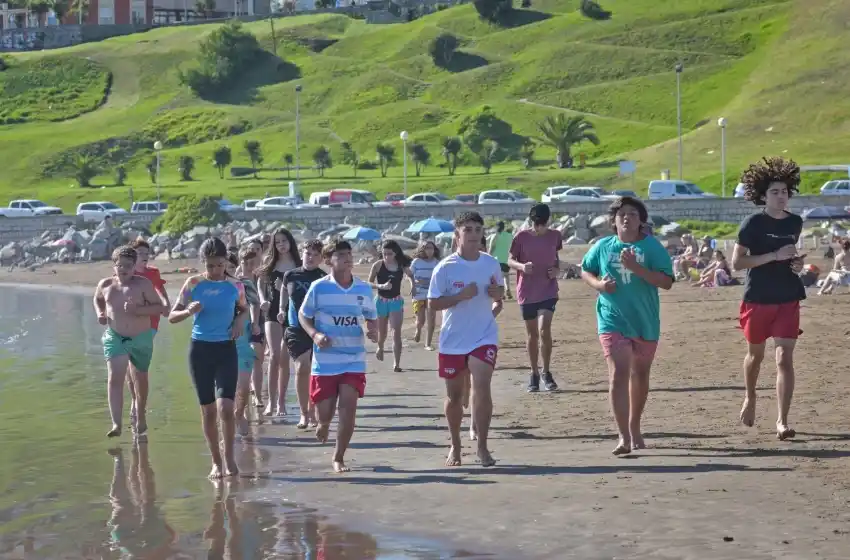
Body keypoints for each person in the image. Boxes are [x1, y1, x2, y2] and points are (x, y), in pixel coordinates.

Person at [581, 197, 674, 455]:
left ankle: (634, 426)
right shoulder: (603, 246)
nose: (626, 218)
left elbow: (667, 282)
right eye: (621, 213)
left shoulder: (652, 247)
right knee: (618, 373)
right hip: (612, 318)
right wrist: (599, 285)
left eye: (633, 214)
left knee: (640, 374)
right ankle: (623, 436)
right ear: (613, 220)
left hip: (645, 320)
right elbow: (585, 270)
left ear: (641, 220)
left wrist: (635, 268)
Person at [731, 156, 806, 440]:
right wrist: (774, 255)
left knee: (784, 357)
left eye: (785, 191)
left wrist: (796, 264)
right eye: (775, 192)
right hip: (758, 298)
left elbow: (791, 257)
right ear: (763, 196)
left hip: (788, 296)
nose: (781, 196)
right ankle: (750, 396)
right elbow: (737, 263)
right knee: (756, 355)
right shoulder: (752, 223)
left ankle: (782, 421)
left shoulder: (795, 222)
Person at [428, 211, 504, 468]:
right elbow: (433, 303)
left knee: (482, 385)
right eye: (468, 230)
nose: (473, 235)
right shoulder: (445, 267)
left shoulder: (491, 263)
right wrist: (460, 296)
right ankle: (455, 445)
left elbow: (499, 294)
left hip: (484, 335)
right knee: (455, 397)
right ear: (457, 235)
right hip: (453, 339)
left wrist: (498, 292)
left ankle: (482, 446)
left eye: (478, 230)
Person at [169, 237, 249, 479]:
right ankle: (216, 462)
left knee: (226, 407)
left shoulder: (235, 285)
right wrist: (187, 311)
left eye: (219, 265)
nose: (215, 270)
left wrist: (239, 321)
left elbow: (244, 309)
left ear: (226, 261)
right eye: (210, 265)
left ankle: (229, 458)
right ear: (203, 262)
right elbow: (172, 316)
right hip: (200, 351)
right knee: (209, 410)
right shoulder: (193, 283)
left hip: (226, 349)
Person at [298, 239, 379, 473]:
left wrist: (372, 330)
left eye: (349, 254)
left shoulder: (363, 289)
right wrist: (314, 334)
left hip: (354, 358)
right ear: (328, 260)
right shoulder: (319, 287)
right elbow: (304, 315)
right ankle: (323, 423)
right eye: (341, 255)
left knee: (348, 408)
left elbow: (371, 317)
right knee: (324, 413)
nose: (347, 258)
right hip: (326, 360)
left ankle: (339, 456)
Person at [94, 246, 168, 438]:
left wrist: (138, 310)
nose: (124, 269)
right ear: (114, 266)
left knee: (140, 379)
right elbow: (98, 299)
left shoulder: (142, 285)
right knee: (114, 377)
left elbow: (158, 307)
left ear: (135, 266)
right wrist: (100, 313)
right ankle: (116, 424)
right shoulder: (106, 284)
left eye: (128, 265)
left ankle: (140, 414)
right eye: (120, 265)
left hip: (141, 337)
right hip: (115, 337)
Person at [508, 204, 562, 392]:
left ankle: (546, 371)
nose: (540, 228)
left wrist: (556, 270)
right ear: (531, 221)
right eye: (536, 224)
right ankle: (534, 373)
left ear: (548, 221)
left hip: (548, 289)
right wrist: (522, 267)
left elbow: (555, 257)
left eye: (543, 224)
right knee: (532, 334)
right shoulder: (521, 237)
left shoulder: (555, 236)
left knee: (544, 330)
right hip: (527, 291)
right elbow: (510, 260)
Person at [127, 238, 170, 439]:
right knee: (131, 367)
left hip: (150, 325)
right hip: (127, 325)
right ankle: (135, 400)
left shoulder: (153, 273)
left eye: (146, 253)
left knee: (139, 366)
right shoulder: (126, 273)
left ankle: (139, 406)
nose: (144, 256)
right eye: (140, 253)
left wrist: (166, 304)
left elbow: (160, 289)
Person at [282, 240, 327, 430]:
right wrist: (281, 309)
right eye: (308, 253)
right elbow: (284, 292)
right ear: (302, 254)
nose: (311, 258)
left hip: (317, 329)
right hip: (295, 328)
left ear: (321, 258)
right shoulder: (290, 275)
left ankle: (313, 408)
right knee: (302, 367)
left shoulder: (323, 278)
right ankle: (303, 413)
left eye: (316, 255)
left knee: (316, 371)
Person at [257, 228, 301, 418]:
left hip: (292, 313)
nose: (281, 245)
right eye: (277, 242)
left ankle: (282, 402)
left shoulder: (298, 264)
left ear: (290, 241)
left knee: (284, 358)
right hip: (272, 312)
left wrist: (286, 288)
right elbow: (260, 282)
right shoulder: (270, 262)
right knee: (274, 356)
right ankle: (271, 402)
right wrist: (262, 300)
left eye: (284, 241)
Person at [368, 240, 413, 372]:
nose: (387, 257)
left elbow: (410, 275)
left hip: (395, 301)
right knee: (382, 333)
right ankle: (380, 347)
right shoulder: (377, 265)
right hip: (381, 301)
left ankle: (396, 364)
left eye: (389, 254)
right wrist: (380, 286)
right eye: (384, 254)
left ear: (395, 253)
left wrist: (413, 285)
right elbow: (369, 283)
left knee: (396, 333)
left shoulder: (401, 265)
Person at [227, 250, 257, 438]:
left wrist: (255, 323)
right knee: (226, 390)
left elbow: (255, 304)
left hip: (243, 343)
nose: (227, 271)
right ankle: (228, 422)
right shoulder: (212, 287)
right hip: (220, 344)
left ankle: (239, 413)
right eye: (224, 267)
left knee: (244, 387)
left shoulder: (244, 285)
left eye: (231, 267)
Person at [410, 240, 440, 350]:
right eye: (427, 248)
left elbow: (440, 277)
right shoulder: (416, 262)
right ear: (422, 249)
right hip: (418, 294)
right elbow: (410, 275)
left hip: (432, 294)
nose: (429, 250)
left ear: (434, 250)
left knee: (431, 319)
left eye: (431, 248)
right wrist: (413, 285)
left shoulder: (436, 262)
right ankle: (418, 329)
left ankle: (428, 344)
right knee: (421, 320)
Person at [488, 221, 514, 300]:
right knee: (506, 275)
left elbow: (491, 247)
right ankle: (508, 289)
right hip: (507, 259)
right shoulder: (509, 235)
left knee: (499, 278)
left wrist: (488, 257)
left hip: (497, 259)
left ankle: (502, 294)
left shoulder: (495, 235)